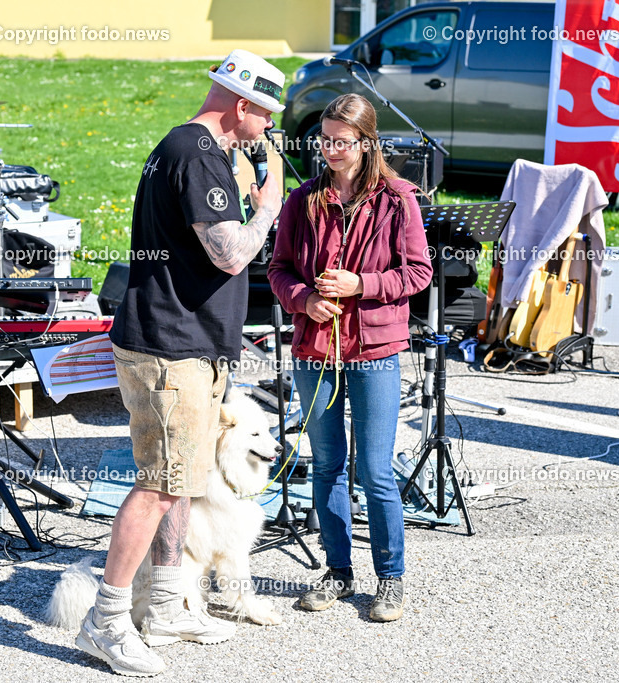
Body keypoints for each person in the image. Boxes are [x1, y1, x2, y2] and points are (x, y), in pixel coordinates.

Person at [76, 50, 284, 677]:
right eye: (266, 117)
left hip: (192, 343)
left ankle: (166, 605)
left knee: (183, 480)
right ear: (242, 105)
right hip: (169, 350)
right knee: (159, 485)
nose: (270, 130)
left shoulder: (197, 150)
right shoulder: (196, 152)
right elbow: (227, 254)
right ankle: (105, 622)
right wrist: (268, 205)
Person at [267, 93, 432, 622]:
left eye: (342, 141)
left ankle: (391, 579)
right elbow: (279, 269)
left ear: (366, 142)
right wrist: (303, 300)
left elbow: (418, 274)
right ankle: (338, 572)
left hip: (376, 350)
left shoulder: (399, 199)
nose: (331, 149)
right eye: (325, 140)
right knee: (327, 466)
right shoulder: (302, 200)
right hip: (315, 349)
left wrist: (361, 283)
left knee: (376, 471)